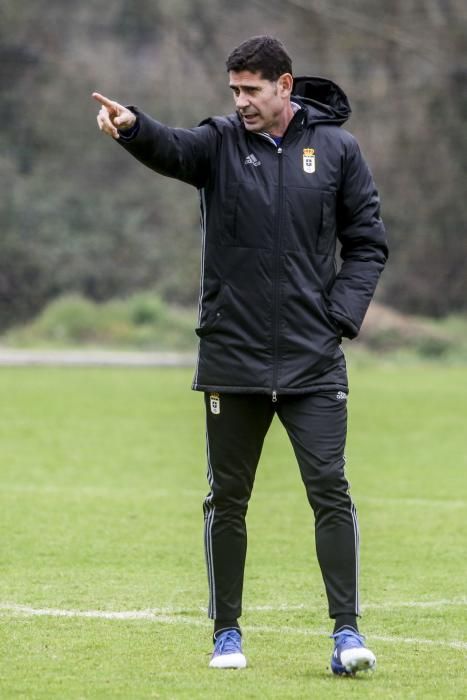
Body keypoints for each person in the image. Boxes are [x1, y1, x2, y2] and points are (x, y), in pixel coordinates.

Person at [93, 35, 388, 675]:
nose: (241, 102)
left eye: (252, 90)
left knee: (330, 491)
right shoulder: (221, 143)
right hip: (234, 358)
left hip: (313, 363)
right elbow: (171, 147)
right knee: (227, 500)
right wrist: (132, 127)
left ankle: (347, 634)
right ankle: (226, 633)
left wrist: (339, 316)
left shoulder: (337, 149)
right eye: (235, 90)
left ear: (284, 86)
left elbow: (367, 242)